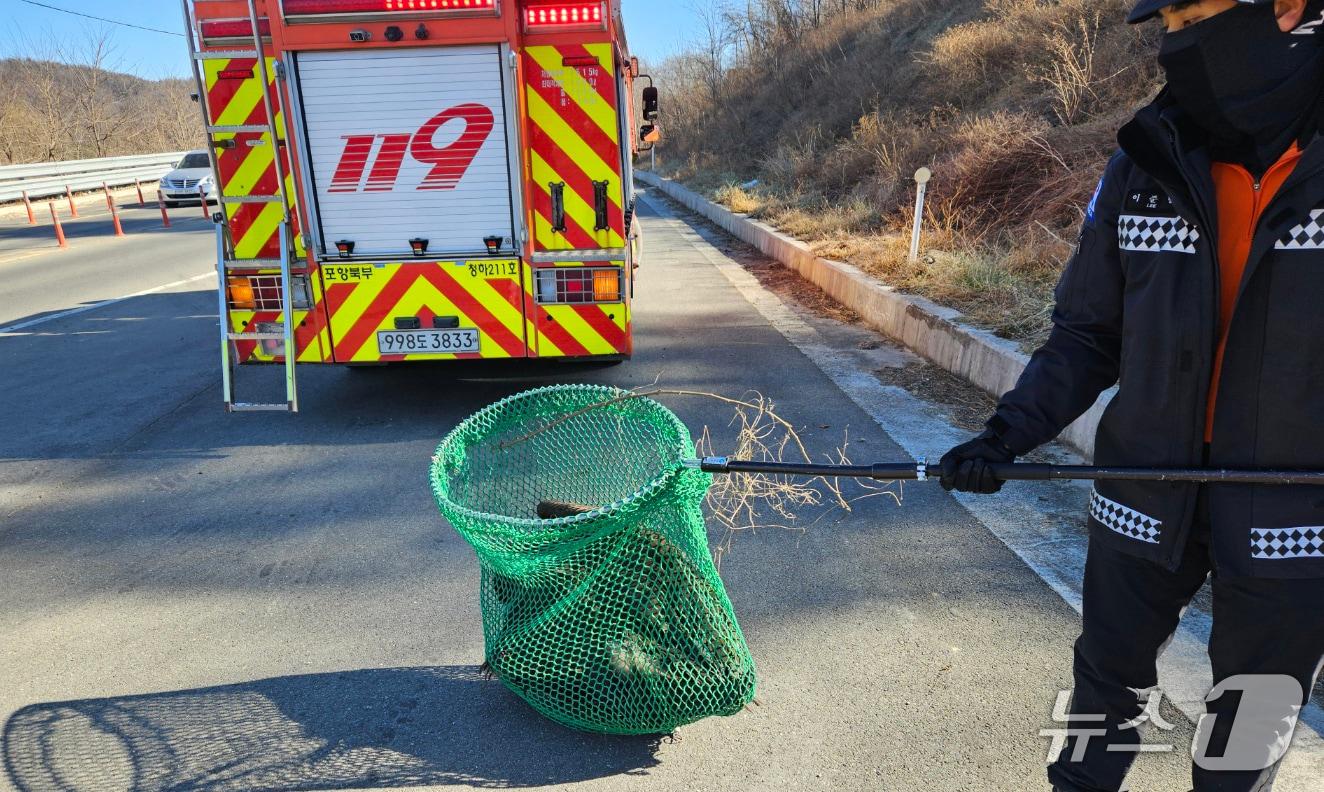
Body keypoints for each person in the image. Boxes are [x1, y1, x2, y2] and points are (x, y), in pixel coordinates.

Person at [938, 1, 1324, 789]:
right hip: (1143, 498)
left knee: (1245, 734)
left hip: (1296, 519)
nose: (1177, 40)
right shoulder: (1145, 161)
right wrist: (1006, 434)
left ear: (1288, 10)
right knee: (1099, 704)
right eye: (1170, 20)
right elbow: (1087, 334)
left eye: (1197, 14)